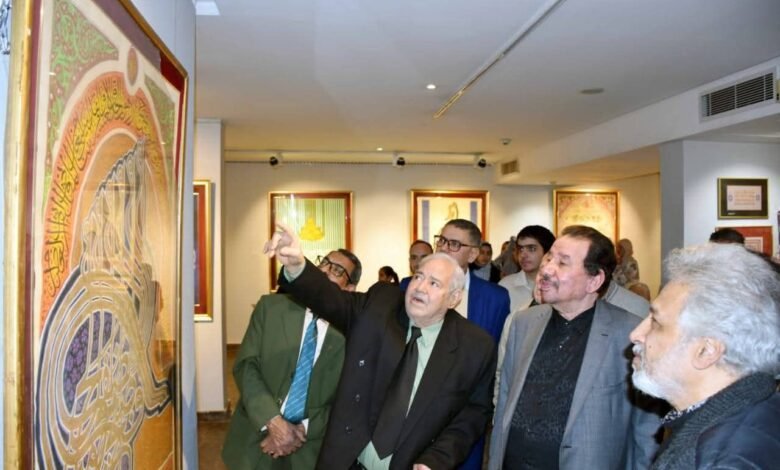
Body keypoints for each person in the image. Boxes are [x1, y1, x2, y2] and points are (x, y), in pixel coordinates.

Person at [265, 225, 497, 469]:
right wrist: (297, 265)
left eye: (434, 283)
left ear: (454, 298)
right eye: (418, 277)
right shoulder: (380, 305)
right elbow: (333, 300)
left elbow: (472, 415)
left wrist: (436, 460)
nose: (420, 288)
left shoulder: (475, 347)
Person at [489, 225, 662, 470]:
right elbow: (505, 401)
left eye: (562, 263)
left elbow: (646, 430)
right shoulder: (523, 322)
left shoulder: (631, 334)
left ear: (594, 280)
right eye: (549, 258)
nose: (546, 269)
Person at [630, 243, 780, 469]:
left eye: (656, 322)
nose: (635, 335)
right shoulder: (752, 412)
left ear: (706, 351)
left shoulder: (725, 459)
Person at [222, 249, 361, 469]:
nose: (324, 271)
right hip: (254, 437)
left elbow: (348, 399)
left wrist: (301, 430)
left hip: (310, 449)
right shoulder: (270, 308)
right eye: (324, 262)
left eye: (336, 270)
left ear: (350, 288)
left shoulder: (354, 336)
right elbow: (246, 366)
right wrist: (273, 421)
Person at [434, 219, 510, 469]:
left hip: (468, 413)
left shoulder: (496, 298)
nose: (444, 248)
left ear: (473, 254)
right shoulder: (410, 287)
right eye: (441, 241)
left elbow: (497, 356)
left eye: (454, 244)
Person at [499, 225, 556, 312]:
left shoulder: (561, 286)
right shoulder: (506, 286)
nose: (523, 255)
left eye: (531, 249)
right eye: (521, 249)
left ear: (548, 253)